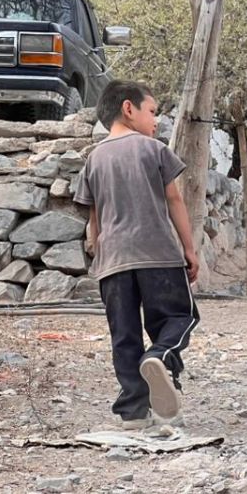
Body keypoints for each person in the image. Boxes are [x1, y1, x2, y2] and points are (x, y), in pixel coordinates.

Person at [75, 79, 202, 429]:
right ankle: (160, 357)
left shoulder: (94, 159)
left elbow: (94, 219)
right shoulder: (153, 149)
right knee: (179, 318)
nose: (156, 121)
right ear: (128, 109)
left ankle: (133, 412)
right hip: (158, 255)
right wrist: (190, 249)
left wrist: (99, 256)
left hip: (113, 262)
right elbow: (175, 200)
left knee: (124, 334)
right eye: (152, 111)